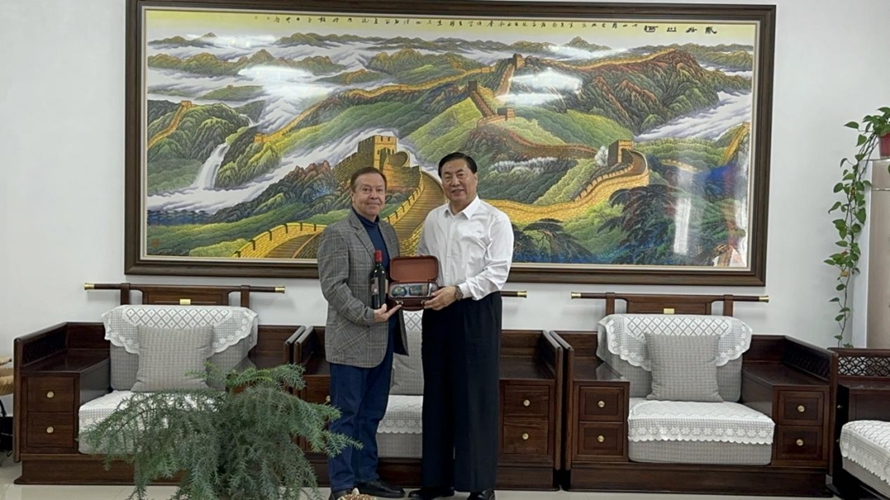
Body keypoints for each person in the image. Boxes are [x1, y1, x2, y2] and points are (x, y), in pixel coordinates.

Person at [409, 152, 514, 500]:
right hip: (438, 311)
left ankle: (480, 485)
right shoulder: (433, 219)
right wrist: (419, 289)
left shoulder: (495, 220)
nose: (454, 182)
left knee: (475, 396)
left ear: (475, 177)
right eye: (447, 176)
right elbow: (424, 260)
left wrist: (458, 291)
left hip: (476, 311)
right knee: (437, 394)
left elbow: (497, 273)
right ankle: (437, 481)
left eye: (460, 174)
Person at [318, 166, 408, 500]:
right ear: (352, 193)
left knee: (371, 415)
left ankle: (366, 476)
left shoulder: (388, 230)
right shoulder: (337, 233)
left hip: (385, 338)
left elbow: (395, 278)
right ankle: (342, 486)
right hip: (351, 340)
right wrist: (366, 315)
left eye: (379, 190)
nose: (374, 196)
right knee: (345, 416)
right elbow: (333, 287)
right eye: (366, 189)